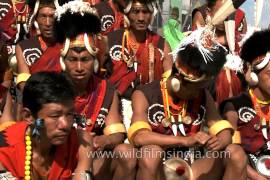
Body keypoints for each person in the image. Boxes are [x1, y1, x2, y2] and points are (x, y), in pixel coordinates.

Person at [129, 27, 247, 180]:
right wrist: (184, 140)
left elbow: (223, 131)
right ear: (178, 80)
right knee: (150, 153)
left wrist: (218, 141)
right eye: (195, 89)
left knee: (235, 153)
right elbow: (139, 137)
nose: (198, 93)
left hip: (193, 167)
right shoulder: (144, 93)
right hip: (160, 169)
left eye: (201, 89)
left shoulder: (202, 94)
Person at [55, 1, 136, 179]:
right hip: (56, 157)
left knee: (126, 152)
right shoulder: (50, 86)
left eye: (85, 59)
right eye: (72, 59)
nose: (79, 67)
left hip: (93, 157)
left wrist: (103, 140)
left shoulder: (106, 89)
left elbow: (115, 133)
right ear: (63, 61)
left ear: (95, 61)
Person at [221, 29, 270, 179]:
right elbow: (232, 151)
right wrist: (256, 177)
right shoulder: (234, 107)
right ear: (254, 75)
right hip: (245, 171)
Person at [0, 71, 93, 179]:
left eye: (69, 114)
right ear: (28, 116)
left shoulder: (81, 141)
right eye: (55, 116)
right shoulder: (4, 148)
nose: (65, 125)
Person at [106, 0, 173, 99]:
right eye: (135, 12)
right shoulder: (111, 40)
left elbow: (169, 82)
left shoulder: (162, 45)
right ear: (127, 14)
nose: (141, 18)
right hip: (114, 102)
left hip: (149, 104)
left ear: (151, 15)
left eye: (145, 12)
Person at [15, 0, 67, 91]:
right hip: (34, 100)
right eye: (43, 16)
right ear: (36, 19)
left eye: (52, 17)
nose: (48, 23)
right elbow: (24, 83)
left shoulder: (67, 43)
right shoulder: (23, 47)